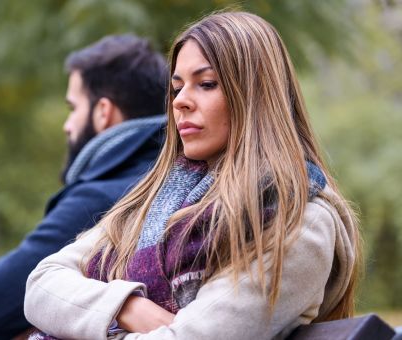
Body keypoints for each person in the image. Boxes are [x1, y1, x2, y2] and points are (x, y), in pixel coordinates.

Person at [24, 11, 361, 340]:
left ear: (255, 96)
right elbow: (42, 284)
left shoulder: (298, 219)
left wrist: (93, 321)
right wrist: (126, 308)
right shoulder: (154, 199)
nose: (180, 101)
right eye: (177, 87)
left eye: (206, 84)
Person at [0, 34, 168, 339]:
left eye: (73, 107)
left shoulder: (107, 194)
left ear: (103, 112)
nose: (67, 125)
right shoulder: (166, 179)